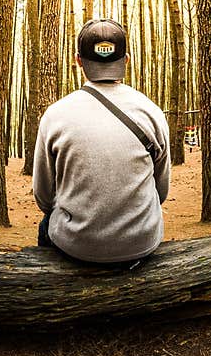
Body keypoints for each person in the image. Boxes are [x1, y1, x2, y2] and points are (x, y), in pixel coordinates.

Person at [32, 18, 171, 264]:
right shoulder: (151, 112)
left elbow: (44, 196)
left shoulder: (55, 114)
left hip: (75, 246)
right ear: (126, 60)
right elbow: (160, 192)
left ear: (78, 61)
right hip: (141, 242)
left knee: (46, 224)